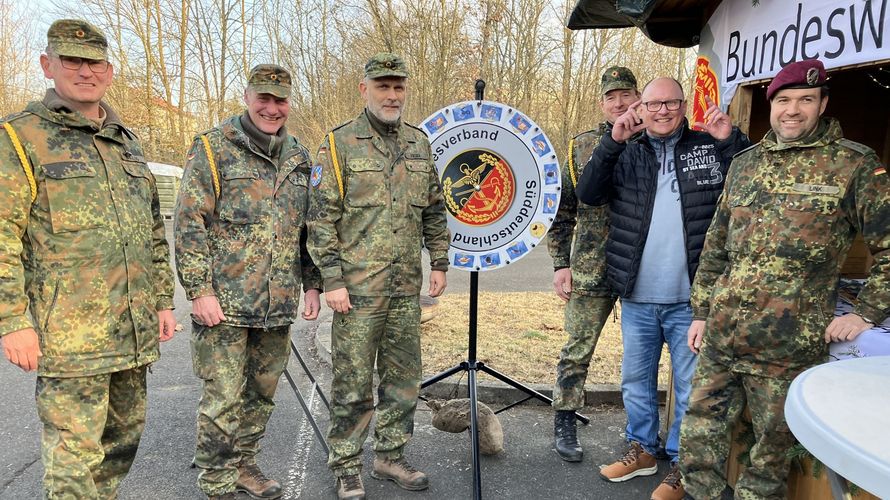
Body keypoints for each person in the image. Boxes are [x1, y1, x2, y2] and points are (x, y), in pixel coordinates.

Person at [679, 59, 890, 500]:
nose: (793, 110)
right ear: (772, 105)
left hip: (788, 344)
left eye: (805, 100)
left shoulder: (852, 165)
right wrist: (701, 311)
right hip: (723, 335)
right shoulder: (745, 163)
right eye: (784, 100)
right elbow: (716, 244)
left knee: (769, 458)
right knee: (698, 442)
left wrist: (868, 312)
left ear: (823, 104)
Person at [0, 19, 176, 498]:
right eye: (71, 60)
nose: (84, 71)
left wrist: (163, 301)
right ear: (47, 65)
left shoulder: (126, 142)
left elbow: (152, 231)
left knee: (120, 447)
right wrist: (13, 320)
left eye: (93, 62)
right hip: (70, 338)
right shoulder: (20, 138)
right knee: (73, 464)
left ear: (109, 71)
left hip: (131, 330)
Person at [576, 77, 750, 500]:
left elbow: (751, 181)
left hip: (692, 300)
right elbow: (589, 193)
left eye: (671, 102)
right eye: (654, 104)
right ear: (642, 107)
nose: (663, 111)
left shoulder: (707, 146)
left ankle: (683, 464)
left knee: (691, 386)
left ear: (683, 105)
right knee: (635, 380)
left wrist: (731, 141)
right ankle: (642, 450)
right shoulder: (626, 150)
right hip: (637, 293)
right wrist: (612, 143)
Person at [174, 64, 322, 500]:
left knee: (261, 395)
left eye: (280, 100)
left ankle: (244, 465)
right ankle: (217, 483)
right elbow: (189, 224)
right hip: (224, 304)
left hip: (277, 304)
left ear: (289, 103)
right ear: (247, 97)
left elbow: (305, 229)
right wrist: (199, 291)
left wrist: (311, 283)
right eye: (264, 98)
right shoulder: (214, 148)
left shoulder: (298, 155)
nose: (271, 108)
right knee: (222, 400)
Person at [307, 52, 450, 500]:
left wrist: (440, 262)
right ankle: (346, 464)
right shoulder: (339, 144)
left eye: (398, 87)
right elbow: (321, 219)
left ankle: (390, 455)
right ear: (363, 89)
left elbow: (433, 209)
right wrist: (331, 279)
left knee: (403, 378)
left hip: (405, 287)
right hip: (357, 291)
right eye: (383, 86)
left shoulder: (419, 143)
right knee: (352, 380)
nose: (392, 94)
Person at [549, 66, 639, 462]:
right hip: (590, 265)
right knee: (577, 348)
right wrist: (560, 263)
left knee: (642, 354)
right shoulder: (580, 147)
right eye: (610, 97)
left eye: (625, 94)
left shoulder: (655, 138)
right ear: (601, 103)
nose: (619, 103)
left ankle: (640, 433)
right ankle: (565, 417)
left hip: (641, 266)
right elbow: (562, 211)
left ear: (638, 96)